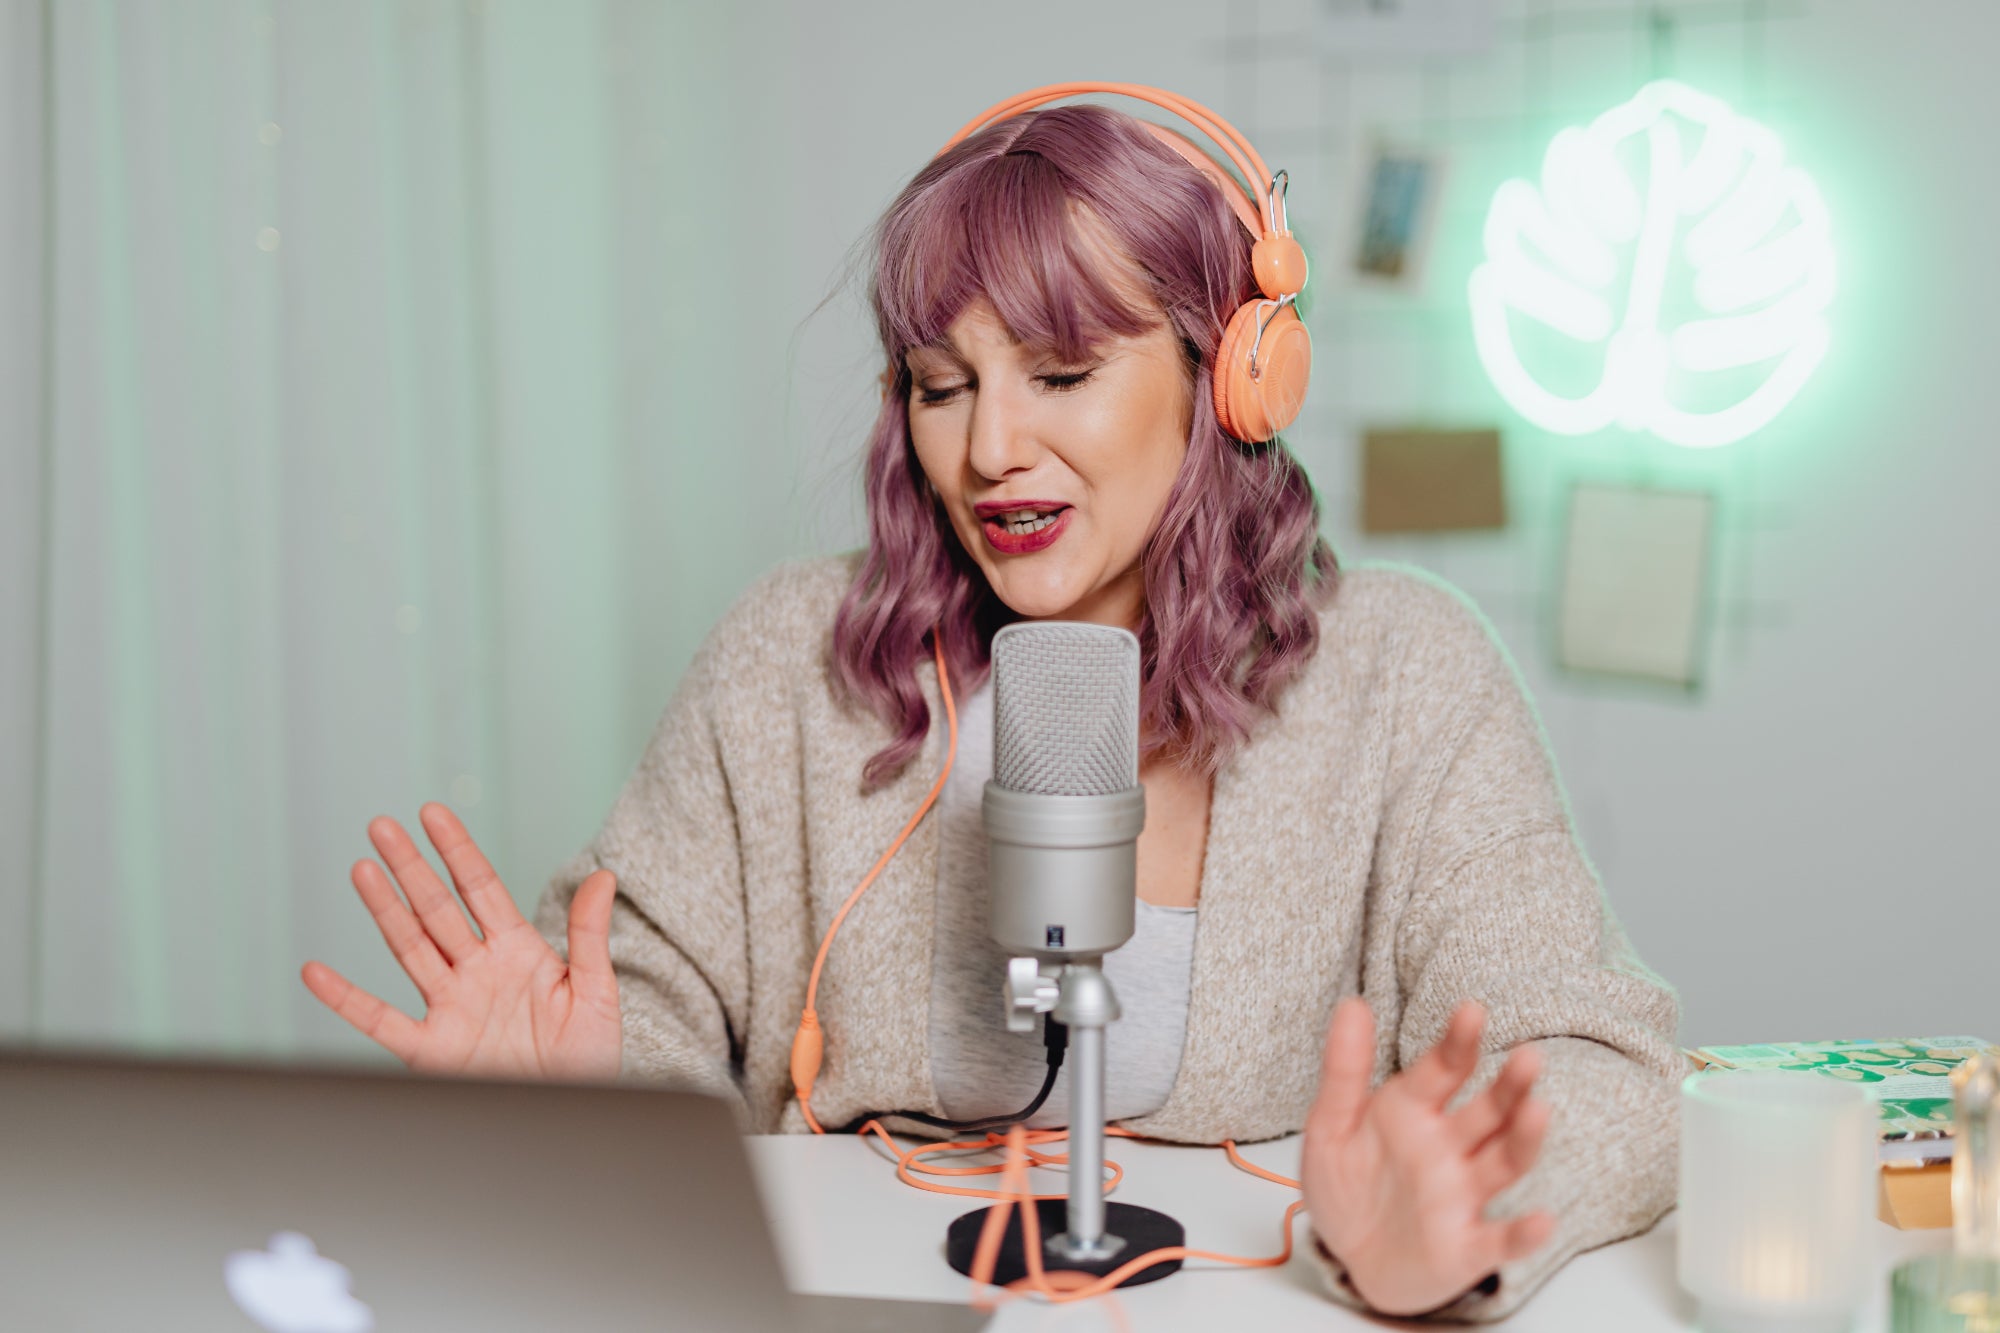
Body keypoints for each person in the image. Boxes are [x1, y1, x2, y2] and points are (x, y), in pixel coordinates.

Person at [300, 89, 1681, 1321]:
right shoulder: (796, 659)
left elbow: (1603, 1065)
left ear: (1230, 380)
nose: (988, 448)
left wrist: (1454, 1226)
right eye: (939, 386)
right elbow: (641, 1005)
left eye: (1062, 374)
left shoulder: (1402, 674)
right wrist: (574, 1117)